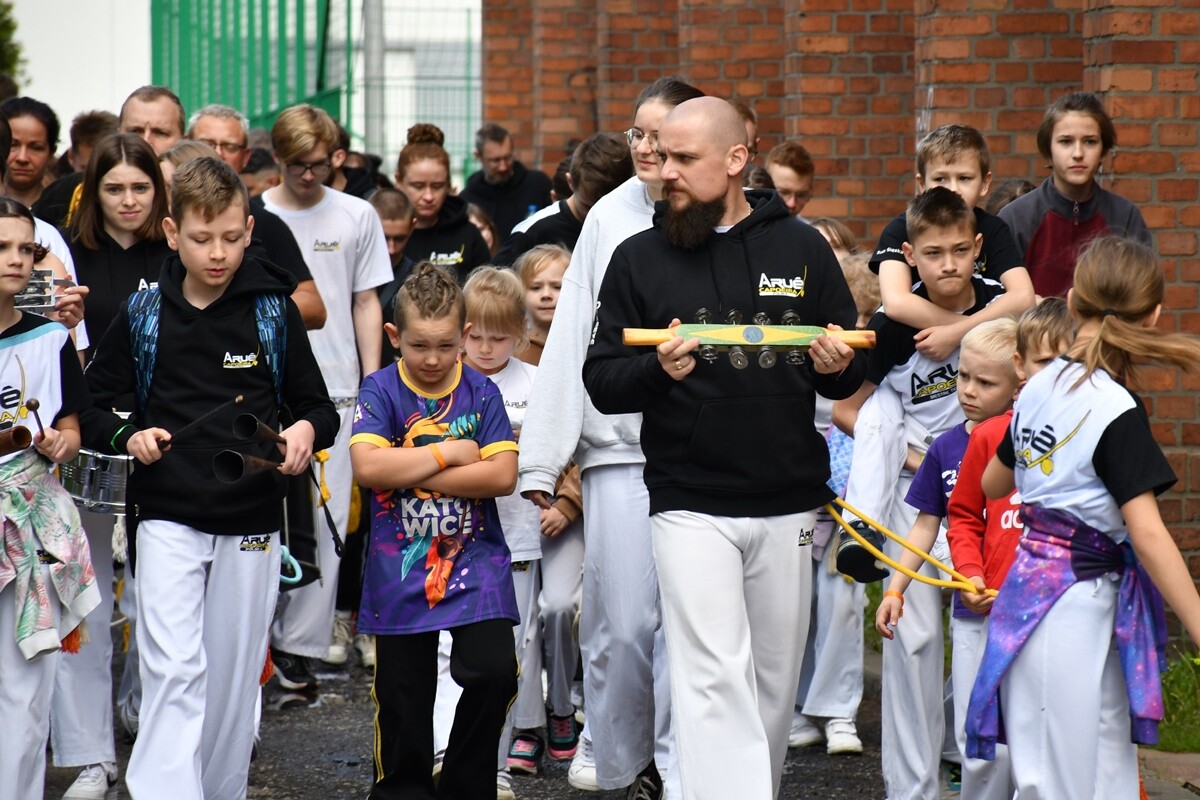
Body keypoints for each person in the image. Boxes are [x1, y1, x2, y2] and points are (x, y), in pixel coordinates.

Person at [583, 96, 866, 800]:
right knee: (710, 675)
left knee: (770, 686)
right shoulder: (637, 257)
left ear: (736, 160)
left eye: (682, 159)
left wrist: (837, 366)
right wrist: (657, 370)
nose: (663, 172)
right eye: (660, 157)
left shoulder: (800, 247)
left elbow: (856, 362)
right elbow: (603, 378)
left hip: (787, 500)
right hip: (689, 499)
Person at [79, 156, 338, 800]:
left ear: (249, 230)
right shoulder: (144, 312)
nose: (217, 252)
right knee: (174, 670)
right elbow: (91, 404)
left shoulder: (273, 310)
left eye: (230, 236)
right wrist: (128, 434)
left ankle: (222, 791)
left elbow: (317, 407)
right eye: (201, 238)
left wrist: (305, 432)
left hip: (252, 519)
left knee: (232, 674)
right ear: (172, 232)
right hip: (164, 513)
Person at [516, 74, 704, 798]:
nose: (650, 148)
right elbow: (568, 339)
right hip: (619, 450)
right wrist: (546, 453)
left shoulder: (720, 216)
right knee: (621, 624)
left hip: (701, 450)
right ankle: (611, 738)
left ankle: (670, 761)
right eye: (639, 135)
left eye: (664, 135)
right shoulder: (608, 219)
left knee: (685, 623)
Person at [967, 236, 1200, 798]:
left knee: (1062, 770)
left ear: (1071, 302)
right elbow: (1145, 531)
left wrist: (1040, 469)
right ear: (1153, 315)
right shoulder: (1116, 407)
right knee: (1088, 772)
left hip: (1038, 593)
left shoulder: (1038, 385)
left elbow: (991, 483)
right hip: (1078, 602)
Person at [832, 187, 1007, 800]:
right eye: (934, 254)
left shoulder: (1000, 312)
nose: (951, 264)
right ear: (910, 256)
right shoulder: (892, 324)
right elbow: (847, 412)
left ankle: (970, 756)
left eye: (962, 250)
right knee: (916, 637)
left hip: (992, 494)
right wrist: (924, 457)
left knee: (985, 633)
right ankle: (912, 786)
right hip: (916, 490)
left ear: (979, 249)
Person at [349, 262, 519, 800]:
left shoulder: (482, 392)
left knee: (495, 672)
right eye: (418, 345)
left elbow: (501, 475)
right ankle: (406, 791)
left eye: (445, 346)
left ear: (464, 336)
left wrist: (410, 461)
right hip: (398, 571)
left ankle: (466, 785)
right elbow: (368, 469)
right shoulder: (379, 390)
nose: (431, 359)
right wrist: (447, 452)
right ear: (394, 336)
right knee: (405, 696)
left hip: (477, 565)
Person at [260, 103, 391, 685]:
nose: (307, 176)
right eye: (295, 165)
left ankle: (302, 646)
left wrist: (371, 382)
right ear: (277, 160)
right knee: (269, 521)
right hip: (268, 391)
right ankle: (264, 636)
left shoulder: (357, 214)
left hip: (338, 388)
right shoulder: (257, 215)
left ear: (335, 157)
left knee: (329, 518)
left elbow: (366, 300)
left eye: (317, 164)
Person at [872, 318, 1021, 800]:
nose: (969, 391)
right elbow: (924, 525)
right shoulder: (946, 446)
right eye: (963, 377)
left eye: (986, 381)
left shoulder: (1031, 440)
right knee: (975, 735)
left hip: (1025, 608)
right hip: (971, 610)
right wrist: (896, 589)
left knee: (1025, 730)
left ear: (1019, 382)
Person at [940, 299, 1071, 800]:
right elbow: (964, 515)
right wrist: (969, 573)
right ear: (1022, 369)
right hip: (983, 611)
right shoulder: (992, 436)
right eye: (1041, 362)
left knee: (1038, 738)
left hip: (1046, 614)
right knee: (981, 743)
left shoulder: (1083, 435)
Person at [425, 266, 540, 798]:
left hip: (515, 537)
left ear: (521, 333)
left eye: (500, 338)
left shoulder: (535, 385)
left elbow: (550, 457)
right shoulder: (444, 383)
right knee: (449, 655)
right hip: (447, 536)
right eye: (476, 336)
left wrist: (561, 499)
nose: (488, 348)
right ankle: (445, 752)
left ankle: (490, 762)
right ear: (461, 330)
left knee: (502, 659)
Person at [0, 197, 99, 800]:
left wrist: (63, 442)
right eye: (2, 247)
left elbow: (71, 422)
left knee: (26, 682)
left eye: (25, 250)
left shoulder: (48, 338)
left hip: (35, 527)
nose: (15, 260)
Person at [869, 124, 1034, 363]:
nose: (953, 189)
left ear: (985, 183)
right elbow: (896, 302)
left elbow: (1023, 297)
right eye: (940, 178)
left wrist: (957, 334)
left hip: (980, 355)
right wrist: (970, 329)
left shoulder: (993, 228)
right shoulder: (900, 229)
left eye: (964, 178)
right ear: (921, 184)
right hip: (911, 350)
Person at [513, 244, 584, 762]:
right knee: (519, 621)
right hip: (513, 509)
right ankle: (523, 720)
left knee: (558, 607)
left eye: (557, 286)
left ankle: (562, 704)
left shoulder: (582, 349)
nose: (546, 295)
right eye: (536, 286)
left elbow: (591, 438)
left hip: (563, 512)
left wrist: (567, 501)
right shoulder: (506, 355)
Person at [188, 103, 327, 329]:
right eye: (207, 144)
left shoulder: (265, 222)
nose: (218, 153)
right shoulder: (150, 216)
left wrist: (243, 314)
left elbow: (314, 307)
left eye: (230, 147)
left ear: (245, 156)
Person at [999, 92, 1152, 298]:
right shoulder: (1016, 219)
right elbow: (998, 304)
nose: (1078, 153)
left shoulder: (1125, 217)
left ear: (1103, 149)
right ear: (1049, 149)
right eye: (1066, 141)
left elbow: (1142, 296)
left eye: (1090, 141)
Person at [35, 86, 187, 227]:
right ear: (118, 133)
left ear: (184, 140)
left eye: (160, 133)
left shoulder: (198, 196)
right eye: (135, 131)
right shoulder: (70, 191)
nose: (146, 142)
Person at [492, 132, 633, 267]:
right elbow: (489, 287)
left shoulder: (632, 225)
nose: (597, 216)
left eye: (608, 208)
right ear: (570, 182)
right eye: (588, 207)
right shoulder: (532, 233)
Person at [394, 124, 491, 283]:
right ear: (399, 181)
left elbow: (486, 294)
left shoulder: (467, 234)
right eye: (418, 186)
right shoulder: (384, 234)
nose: (429, 196)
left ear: (448, 184)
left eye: (437, 186)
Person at [458, 122, 553, 238]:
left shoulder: (538, 185)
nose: (503, 167)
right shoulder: (468, 198)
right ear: (478, 156)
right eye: (495, 161)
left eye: (508, 158)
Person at [372, 188, 418, 365]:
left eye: (399, 238)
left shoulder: (419, 278)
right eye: (384, 238)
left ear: (412, 226)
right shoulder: (350, 273)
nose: (391, 248)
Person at [1, 96, 60, 208]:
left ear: (51, 153)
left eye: (36, 147)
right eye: (13, 145)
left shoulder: (64, 212)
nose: (22, 158)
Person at [764, 140, 815, 219]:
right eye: (784, 192)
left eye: (801, 195)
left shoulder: (809, 230)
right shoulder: (744, 227)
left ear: (810, 192)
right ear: (765, 187)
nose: (791, 204)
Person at [64, 110, 119, 175]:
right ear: (71, 157)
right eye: (88, 171)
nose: (94, 179)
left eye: (106, 170)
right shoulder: (57, 184)